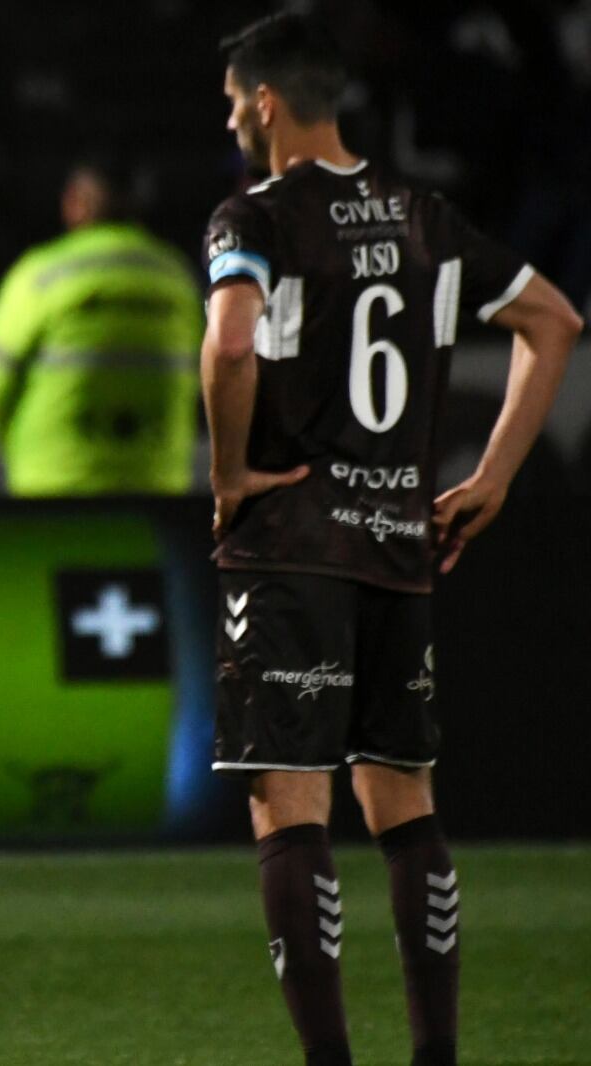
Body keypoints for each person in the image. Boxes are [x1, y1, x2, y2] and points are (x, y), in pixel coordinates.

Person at [201, 15, 583, 1066]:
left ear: (268, 102)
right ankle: (435, 1055)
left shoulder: (255, 215)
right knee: (403, 800)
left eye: (235, 100)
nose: (231, 116)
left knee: (289, 806)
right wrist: (495, 474)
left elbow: (230, 342)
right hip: (394, 543)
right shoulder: (424, 216)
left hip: (286, 544)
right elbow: (554, 321)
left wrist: (231, 472)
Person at [0, 157, 204, 495]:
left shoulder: (41, 275)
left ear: (76, 201)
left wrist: (18, 447)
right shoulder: (177, 279)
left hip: (54, 487)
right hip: (156, 491)